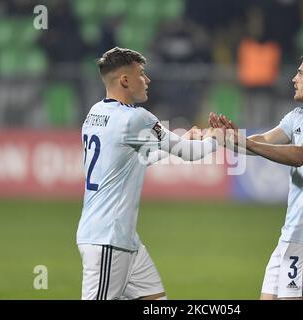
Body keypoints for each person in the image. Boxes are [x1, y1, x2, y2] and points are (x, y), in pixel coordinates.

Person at [209, 51, 303, 300]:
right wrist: (231, 140)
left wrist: (245, 143)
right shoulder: (298, 116)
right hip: (290, 233)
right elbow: (265, 140)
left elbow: (301, 154)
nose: (293, 79)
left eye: (301, 73)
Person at [76, 47, 218, 300]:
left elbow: (138, 158)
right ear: (125, 80)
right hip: (108, 238)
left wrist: (183, 139)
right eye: (141, 73)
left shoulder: (95, 112)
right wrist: (220, 139)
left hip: (124, 238)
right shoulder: (136, 118)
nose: (147, 79)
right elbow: (190, 153)